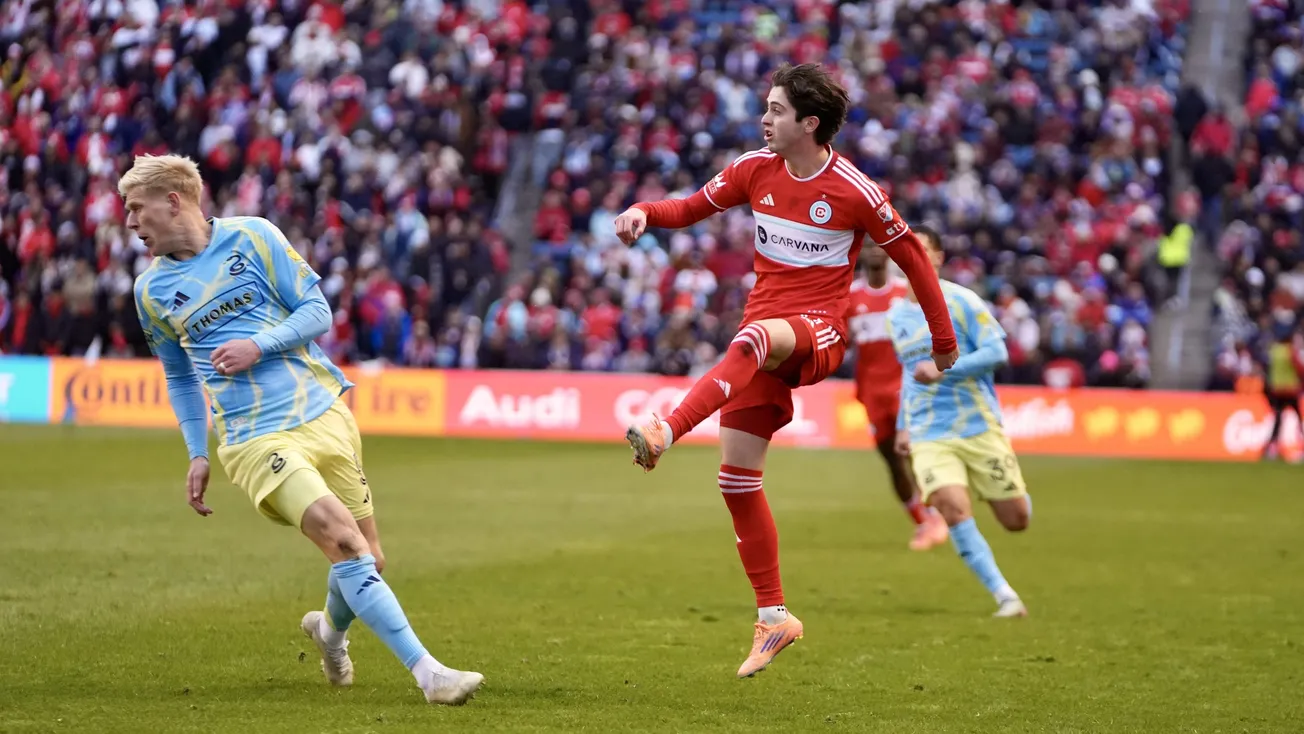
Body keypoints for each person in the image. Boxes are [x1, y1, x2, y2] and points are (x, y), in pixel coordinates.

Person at [614, 63, 959, 678]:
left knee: (750, 338)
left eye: (775, 110)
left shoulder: (855, 190)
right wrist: (645, 210)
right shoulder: (755, 169)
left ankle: (668, 430)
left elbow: (912, 256)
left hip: (817, 332)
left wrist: (944, 342)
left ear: (810, 123)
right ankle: (774, 617)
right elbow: (690, 207)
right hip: (762, 341)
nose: (764, 118)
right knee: (736, 481)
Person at [124, 154, 484, 705]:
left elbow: (317, 312)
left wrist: (258, 345)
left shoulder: (255, 236)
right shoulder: (150, 291)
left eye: (136, 208)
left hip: (322, 412)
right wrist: (197, 451)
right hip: (253, 437)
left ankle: (330, 634)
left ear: (173, 201)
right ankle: (430, 675)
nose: (130, 222)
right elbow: (178, 376)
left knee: (368, 557)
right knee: (343, 539)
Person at [887, 229, 1031, 619]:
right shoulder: (896, 316)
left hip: (977, 425)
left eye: (920, 249)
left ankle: (999, 489)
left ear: (938, 257)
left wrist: (945, 370)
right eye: (903, 249)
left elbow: (997, 352)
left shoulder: (962, 301)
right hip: (928, 431)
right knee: (951, 509)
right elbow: (907, 374)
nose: (910, 255)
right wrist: (902, 424)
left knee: (1016, 519)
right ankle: (1005, 596)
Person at [846, 239, 949, 551]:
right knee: (891, 459)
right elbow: (843, 341)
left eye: (880, 245)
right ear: (861, 251)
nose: (875, 250)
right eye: (869, 246)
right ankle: (922, 521)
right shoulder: (849, 297)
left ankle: (937, 515)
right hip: (871, 391)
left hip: (905, 386)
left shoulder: (906, 292)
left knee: (914, 451)